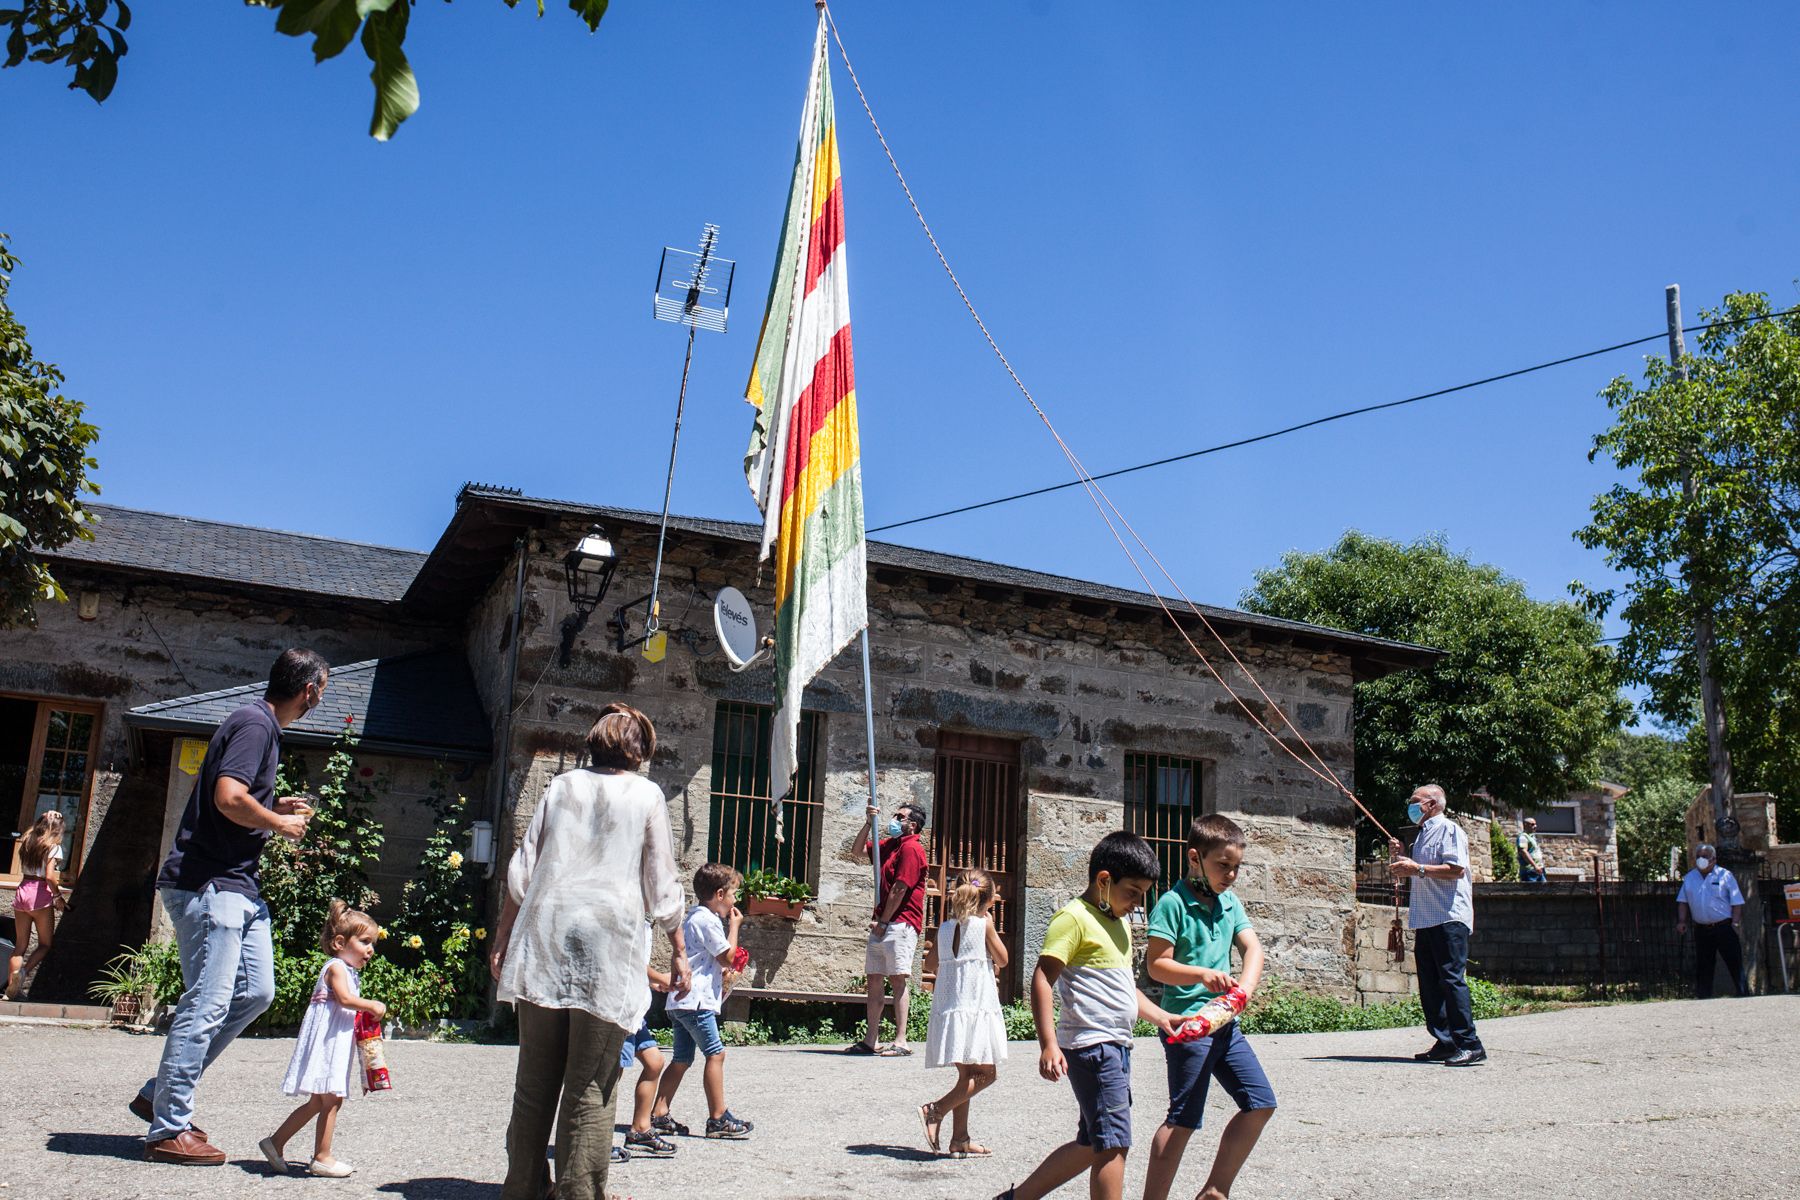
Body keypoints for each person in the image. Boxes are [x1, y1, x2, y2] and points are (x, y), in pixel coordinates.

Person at [135, 648, 329, 1165]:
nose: (320, 700)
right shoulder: (255, 724)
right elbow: (226, 797)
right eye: (321, 691)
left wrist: (272, 806)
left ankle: (160, 1093)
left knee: (256, 992)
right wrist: (279, 823)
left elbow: (239, 798)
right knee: (207, 1003)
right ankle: (168, 1127)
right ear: (309, 691)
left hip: (237, 887)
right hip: (209, 883)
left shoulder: (261, 728)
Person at [490, 702, 689, 1200]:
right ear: (639, 750)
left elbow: (522, 871)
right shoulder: (646, 795)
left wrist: (502, 938)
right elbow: (661, 883)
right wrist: (679, 948)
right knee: (591, 1085)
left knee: (534, 1082)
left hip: (544, 939)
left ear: (594, 743)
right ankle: (579, 1194)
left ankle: (522, 1190)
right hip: (608, 947)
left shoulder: (561, 787)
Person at [994, 831, 1179, 1200]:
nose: (1137, 903)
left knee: (1092, 1141)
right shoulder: (1073, 918)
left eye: (1143, 894)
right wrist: (1048, 1044)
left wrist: (1161, 1016)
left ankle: (1017, 1199)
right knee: (1114, 1144)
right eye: (1133, 893)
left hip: (1116, 1046)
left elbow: (1124, 990)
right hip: (1094, 1045)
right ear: (1104, 880)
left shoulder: (1119, 923)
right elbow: (1043, 979)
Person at [1142, 815, 1276, 1200]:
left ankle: (1215, 1191)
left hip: (1225, 1023)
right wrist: (1202, 975)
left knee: (1260, 1103)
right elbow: (1157, 965)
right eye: (1223, 866)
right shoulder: (1172, 904)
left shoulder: (1229, 903)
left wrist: (1243, 991)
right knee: (1182, 1120)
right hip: (1187, 1027)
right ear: (1195, 858)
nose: (1231, 875)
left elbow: (1253, 948)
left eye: (1237, 867)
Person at [260, 900, 388, 1178]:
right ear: (340, 942)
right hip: (328, 1044)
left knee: (321, 1101)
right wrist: (371, 1005)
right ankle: (322, 1157)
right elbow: (344, 999)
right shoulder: (336, 968)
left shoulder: (347, 970)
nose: (371, 949)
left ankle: (276, 1142)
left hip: (334, 1042)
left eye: (373, 943)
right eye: (365, 941)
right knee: (330, 1100)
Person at [651, 863, 753, 1139]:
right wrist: (734, 927)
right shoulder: (707, 920)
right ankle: (718, 1117)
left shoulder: (695, 917)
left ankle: (659, 1113)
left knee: (682, 1058)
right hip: (697, 1003)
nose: (735, 900)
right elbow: (727, 956)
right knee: (716, 1054)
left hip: (683, 1002)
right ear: (720, 894)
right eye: (733, 894)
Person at [1389, 783, 1486, 1067]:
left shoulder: (1449, 830)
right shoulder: (1421, 837)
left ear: (1431, 804)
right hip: (1427, 917)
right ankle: (1445, 1041)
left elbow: (1455, 870)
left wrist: (1415, 868)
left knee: (1451, 980)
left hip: (1448, 916)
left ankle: (1470, 1043)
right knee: (1430, 984)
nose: (1411, 805)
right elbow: (1414, 872)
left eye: (1415, 800)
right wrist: (1399, 856)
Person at [919, 868, 1009, 1158]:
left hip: (951, 1009)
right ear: (988, 899)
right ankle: (935, 1110)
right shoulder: (984, 925)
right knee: (987, 1074)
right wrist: (989, 927)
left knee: (967, 1075)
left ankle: (960, 1139)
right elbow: (1003, 960)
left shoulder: (945, 928)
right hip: (975, 1007)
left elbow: (930, 965)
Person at [849, 801, 930, 1056]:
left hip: (900, 923)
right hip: (883, 922)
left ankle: (901, 1039)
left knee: (897, 979)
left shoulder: (912, 849)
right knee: (874, 978)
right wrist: (867, 822)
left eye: (900, 816)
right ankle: (871, 1038)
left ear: (912, 825)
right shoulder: (893, 845)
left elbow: (900, 888)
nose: (894, 819)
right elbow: (858, 851)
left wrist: (884, 922)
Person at [614, 943, 677, 1161]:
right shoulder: (636, 913)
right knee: (611, 1074)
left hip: (635, 1010)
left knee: (654, 1062)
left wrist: (649, 980)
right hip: (620, 1007)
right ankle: (595, 1142)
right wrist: (659, 976)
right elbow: (625, 954)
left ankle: (640, 1130)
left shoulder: (646, 919)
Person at [6, 810, 67, 999]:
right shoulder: (53, 847)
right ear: (57, 829)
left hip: (23, 889)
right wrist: (57, 897)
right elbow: (49, 876)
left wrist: (44, 817)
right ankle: (22, 973)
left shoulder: (27, 842)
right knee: (45, 944)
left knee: (20, 946)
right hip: (40, 894)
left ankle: (10, 991)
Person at [1676, 842, 1747, 998]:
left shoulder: (1725, 875)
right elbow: (1683, 901)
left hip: (1723, 927)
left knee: (1734, 962)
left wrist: (1735, 923)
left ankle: (1743, 994)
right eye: (1698, 856)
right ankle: (1704, 998)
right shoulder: (1690, 877)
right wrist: (1682, 921)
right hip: (1702, 928)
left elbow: (1737, 902)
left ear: (1713, 859)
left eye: (1705, 856)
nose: (1701, 859)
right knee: (1704, 965)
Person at [1516, 817, 1547, 883]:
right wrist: (1535, 866)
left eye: (1535, 824)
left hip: (1539, 870)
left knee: (1544, 891)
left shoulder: (1532, 837)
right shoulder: (1523, 837)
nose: (1535, 826)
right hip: (1530, 871)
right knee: (1531, 892)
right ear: (1525, 825)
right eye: (1532, 824)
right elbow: (1523, 851)